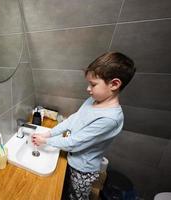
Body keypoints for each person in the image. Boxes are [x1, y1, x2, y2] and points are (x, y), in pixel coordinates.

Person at [31, 52, 136, 200]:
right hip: (72, 159)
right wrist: (49, 133)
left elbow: (74, 143)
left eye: (93, 84)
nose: (88, 89)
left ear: (114, 84)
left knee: (78, 197)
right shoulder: (93, 100)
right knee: (68, 190)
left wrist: (46, 141)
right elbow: (72, 120)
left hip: (83, 170)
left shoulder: (110, 119)